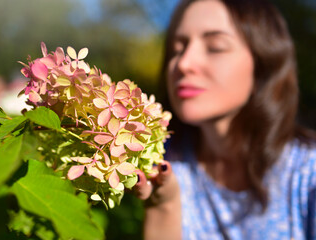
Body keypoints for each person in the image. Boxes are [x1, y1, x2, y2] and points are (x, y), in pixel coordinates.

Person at [133, 0, 316, 239]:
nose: (184, 64)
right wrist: (163, 207)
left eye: (215, 47)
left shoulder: (307, 174)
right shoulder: (157, 159)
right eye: (177, 49)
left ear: (263, 66)